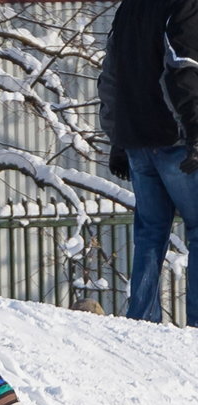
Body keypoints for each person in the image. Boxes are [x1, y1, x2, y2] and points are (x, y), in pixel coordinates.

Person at [98, 0, 198, 327]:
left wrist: (117, 141)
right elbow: (181, 68)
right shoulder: (184, 5)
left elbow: (112, 75)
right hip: (176, 140)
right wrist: (195, 130)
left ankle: (141, 321)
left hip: (136, 142)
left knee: (150, 233)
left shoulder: (130, 7)